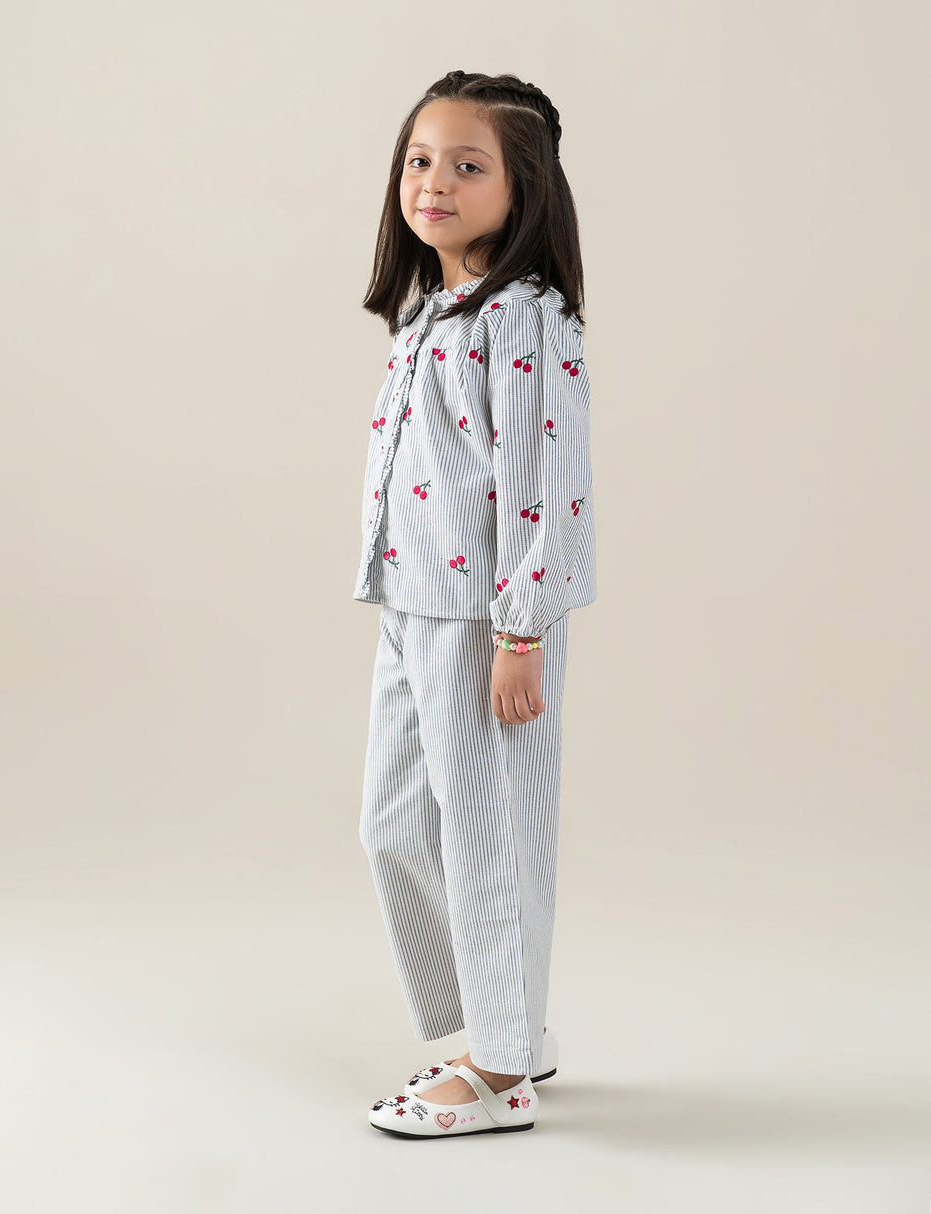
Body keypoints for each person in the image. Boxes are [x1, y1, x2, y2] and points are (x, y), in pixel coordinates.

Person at [353, 69, 597, 1138]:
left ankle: (498, 1071)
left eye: (466, 165)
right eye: (420, 160)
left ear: (522, 186)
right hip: (410, 600)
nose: (434, 183)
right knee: (395, 823)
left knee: (488, 836)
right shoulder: (429, 314)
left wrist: (520, 629)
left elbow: (546, 479)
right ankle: (506, 1024)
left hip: (485, 616)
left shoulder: (524, 320)